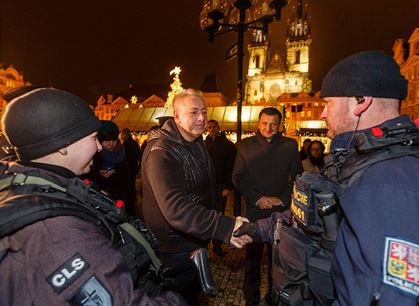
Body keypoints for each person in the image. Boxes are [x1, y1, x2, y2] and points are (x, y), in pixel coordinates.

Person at [236, 51, 419, 305]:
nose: (322, 114)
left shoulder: (399, 186)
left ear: (361, 101)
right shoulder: (359, 160)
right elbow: (317, 210)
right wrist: (260, 228)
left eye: (328, 103)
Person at [0, 87, 185, 305]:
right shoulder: (55, 231)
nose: (99, 147)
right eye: (93, 138)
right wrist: (180, 298)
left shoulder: (35, 183)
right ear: (63, 145)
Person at [141, 88, 251, 305]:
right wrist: (224, 227)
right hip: (172, 249)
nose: (201, 118)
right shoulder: (162, 151)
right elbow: (175, 207)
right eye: (193, 112)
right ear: (177, 117)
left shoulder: (195, 141)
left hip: (191, 240)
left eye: (204, 111)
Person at [232, 107, 303, 306]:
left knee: (277, 260)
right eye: (264, 123)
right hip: (255, 210)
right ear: (258, 123)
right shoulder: (244, 146)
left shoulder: (290, 145)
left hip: (280, 212)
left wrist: (282, 198)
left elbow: (298, 177)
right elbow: (238, 177)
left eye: (273, 124)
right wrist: (257, 198)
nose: (268, 127)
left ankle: (274, 298)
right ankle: (251, 299)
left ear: (279, 125)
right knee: (252, 259)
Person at [205, 119, 237, 256]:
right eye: (209, 127)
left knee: (218, 217)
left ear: (218, 128)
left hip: (220, 186)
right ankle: (204, 246)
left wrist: (228, 187)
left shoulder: (227, 145)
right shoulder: (202, 144)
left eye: (214, 127)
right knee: (205, 217)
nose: (212, 129)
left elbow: (232, 168)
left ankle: (217, 246)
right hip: (205, 187)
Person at [120, 128, 141, 216]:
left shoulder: (128, 145)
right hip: (130, 168)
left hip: (129, 168)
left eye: (123, 134)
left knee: (129, 185)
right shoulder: (131, 144)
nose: (121, 136)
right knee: (130, 184)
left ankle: (130, 203)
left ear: (126, 135)